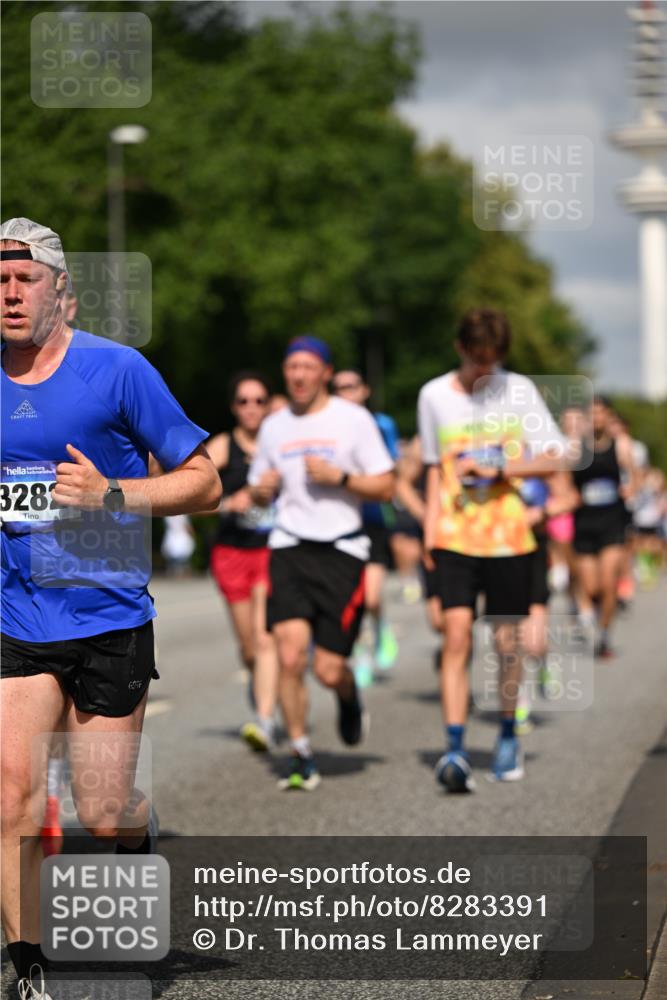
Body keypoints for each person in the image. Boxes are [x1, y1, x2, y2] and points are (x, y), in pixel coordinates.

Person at [0, 218, 221, 998]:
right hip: (15, 616)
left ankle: (135, 827)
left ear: (62, 289)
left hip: (106, 616)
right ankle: (30, 970)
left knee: (101, 810)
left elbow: (205, 480)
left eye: (25, 279)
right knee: (11, 794)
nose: (10, 293)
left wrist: (111, 495)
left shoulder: (117, 369)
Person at [418, 307, 565, 791]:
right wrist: (429, 531)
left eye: (493, 359)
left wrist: (500, 469)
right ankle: (455, 746)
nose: (486, 368)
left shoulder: (518, 390)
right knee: (455, 637)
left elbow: (554, 457)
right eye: (478, 358)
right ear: (460, 348)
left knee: (507, 643)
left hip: (508, 538)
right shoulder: (434, 395)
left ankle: (506, 733)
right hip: (455, 537)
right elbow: (434, 469)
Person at [248, 335, 395, 790]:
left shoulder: (353, 420)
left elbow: (386, 486)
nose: (298, 375)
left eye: (308, 366)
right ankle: (300, 752)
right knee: (290, 656)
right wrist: (261, 491)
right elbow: (257, 492)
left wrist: (341, 477)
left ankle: (348, 695)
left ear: (325, 373)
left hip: (342, 550)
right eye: (291, 366)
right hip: (289, 545)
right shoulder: (274, 426)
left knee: (328, 669)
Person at [206, 372, 279, 752]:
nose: (252, 408)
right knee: (250, 647)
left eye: (259, 400)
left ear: (269, 405)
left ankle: (265, 721)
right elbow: (191, 492)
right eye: (244, 401)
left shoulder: (280, 441)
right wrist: (226, 504)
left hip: (272, 550)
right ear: (234, 407)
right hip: (232, 552)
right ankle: (259, 682)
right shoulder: (222, 446)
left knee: (266, 638)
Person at [331, 369, 400, 681]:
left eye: (351, 386)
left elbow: (390, 470)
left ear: (365, 390)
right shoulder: (327, 425)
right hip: (338, 520)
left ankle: (380, 625)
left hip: (373, 519)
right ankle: (358, 651)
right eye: (339, 388)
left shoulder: (382, 425)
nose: (346, 392)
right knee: (348, 596)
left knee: (370, 597)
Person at [572, 396, 638, 657]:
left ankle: (605, 634)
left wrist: (631, 488)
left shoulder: (620, 445)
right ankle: (596, 612)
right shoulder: (577, 447)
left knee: (609, 582)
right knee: (591, 587)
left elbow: (635, 475)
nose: (596, 418)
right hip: (584, 522)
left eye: (601, 413)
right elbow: (564, 478)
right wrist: (570, 495)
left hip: (612, 522)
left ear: (608, 416)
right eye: (592, 413)